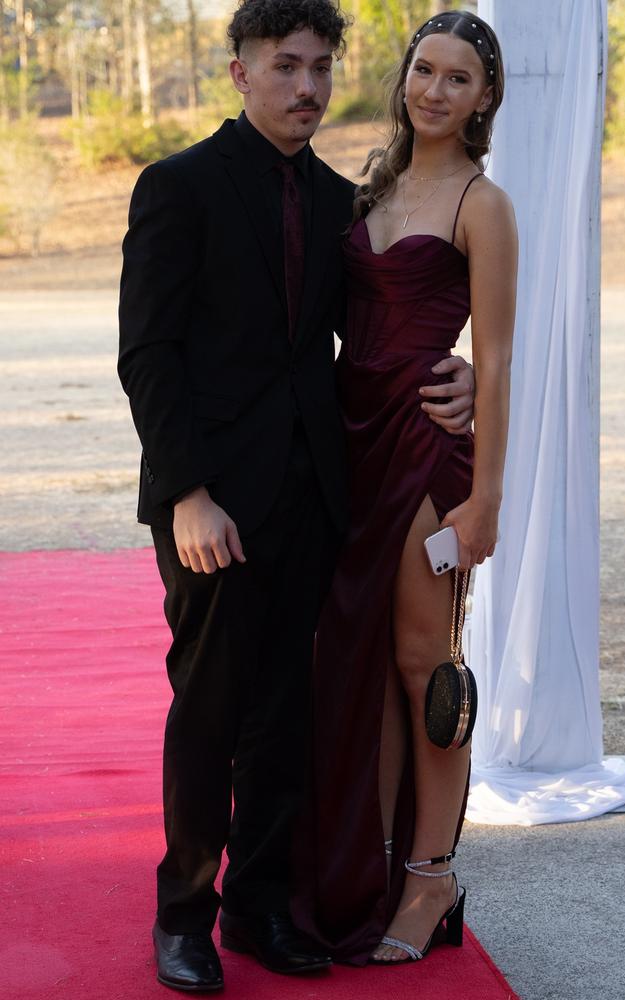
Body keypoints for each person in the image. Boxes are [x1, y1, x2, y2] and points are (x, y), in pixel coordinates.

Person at [118, 0, 475, 991]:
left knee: (287, 712)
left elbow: (381, 340)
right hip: (210, 507)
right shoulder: (177, 187)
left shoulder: (337, 204)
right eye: (286, 66)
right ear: (239, 73)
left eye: (321, 67)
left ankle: (260, 906)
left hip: (318, 494)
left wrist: (470, 377)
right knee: (210, 709)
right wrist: (187, 492)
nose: (307, 86)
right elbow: (148, 355)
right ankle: (183, 911)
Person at [293, 10, 517, 966]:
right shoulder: (370, 186)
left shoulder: (482, 202)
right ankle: (376, 868)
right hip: (354, 447)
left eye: (458, 78)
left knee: (429, 667)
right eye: (424, 69)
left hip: (429, 458)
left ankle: (433, 879)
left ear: (484, 99)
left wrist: (486, 502)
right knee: (363, 669)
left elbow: (497, 360)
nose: (434, 89)